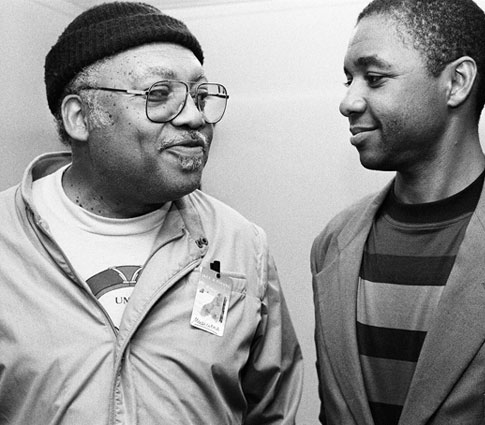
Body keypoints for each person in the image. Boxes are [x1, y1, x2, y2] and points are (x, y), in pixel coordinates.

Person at [0, 2, 303, 424]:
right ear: (79, 117)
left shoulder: (239, 244)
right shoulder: (6, 241)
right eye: (159, 95)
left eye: (200, 97)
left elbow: (272, 409)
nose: (195, 118)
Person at [310, 0, 485, 424]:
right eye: (349, 80)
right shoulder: (332, 245)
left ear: (457, 83)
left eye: (374, 78)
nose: (348, 102)